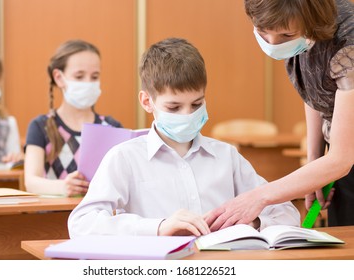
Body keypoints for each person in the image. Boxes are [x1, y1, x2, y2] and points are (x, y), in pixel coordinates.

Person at [68, 37, 300, 237]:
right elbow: (81, 224)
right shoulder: (125, 157)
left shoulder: (226, 156)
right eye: (173, 107)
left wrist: (254, 222)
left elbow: (287, 214)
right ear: (147, 102)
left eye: (196, 104)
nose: (187, 115)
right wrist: (158, 228)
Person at [205, 0, 354, 229]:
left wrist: (259, 197)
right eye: (264, 34)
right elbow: (315, 91)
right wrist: (314, 162)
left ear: (311, 23)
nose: (274, 44)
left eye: (285, 35)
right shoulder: (297, 32)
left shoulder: (349, 41)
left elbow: (342, 159)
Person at [25, 40, 122, 197]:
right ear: (59, 77)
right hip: (50, 218)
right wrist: (63, 187)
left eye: (94, 76)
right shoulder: (40, 126)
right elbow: (31, 182)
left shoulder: (112, 127)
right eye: (79, 76)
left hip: (99, 217)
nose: (88, 83)